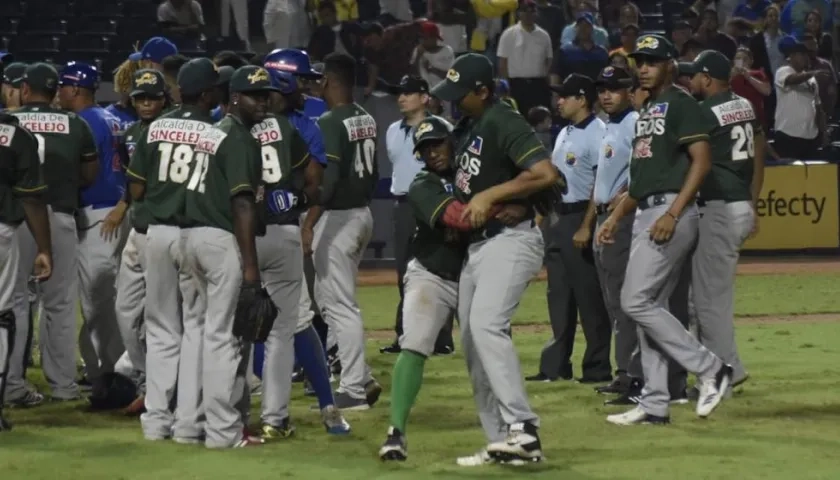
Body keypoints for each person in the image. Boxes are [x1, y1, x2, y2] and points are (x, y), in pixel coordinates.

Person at [595, 35, 733, 426]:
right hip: (645, 211)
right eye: (641, 60)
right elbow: (640, 181)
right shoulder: (650, 109)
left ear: (670, 65)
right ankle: (656, 401)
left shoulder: (682, 104)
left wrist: (674, 212)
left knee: (635, 300)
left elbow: (701, 162)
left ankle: (711, 369)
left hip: (670, 212)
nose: (643, 67)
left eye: (652, 61)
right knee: (647, 305)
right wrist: (616, 217)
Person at [431, 53, 560, 465]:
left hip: (511, 242)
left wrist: (494, 196)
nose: (453, 100)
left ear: (483, 91)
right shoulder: (470, 125)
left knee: (487, 325)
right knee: (472, 342)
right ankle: (501, 440)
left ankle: (524, 429)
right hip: (479, 245)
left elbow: (546, 174)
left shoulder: (503, 119)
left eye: (460, 93)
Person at [378, 116, 531, 462]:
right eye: (425, 149)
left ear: (453, 141)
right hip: (431, 274)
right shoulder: (422, 185)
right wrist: (505, 206)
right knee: (415, 344)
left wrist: (524, 203)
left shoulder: (474, 173)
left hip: (473, 273)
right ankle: (395, 432)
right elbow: (459, 217)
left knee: (484, 358)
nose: (432, 153)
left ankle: (508, 435)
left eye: (438, 143)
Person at [126, 58, 222, 443]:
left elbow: (135, 188)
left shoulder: (153, 129)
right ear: (208, 93)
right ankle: (188, 422)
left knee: (161, 328)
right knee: (196, 326)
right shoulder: (215, 130)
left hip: (155, 233)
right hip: (193, 231)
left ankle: (156, 420)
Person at [253, 66, 351, 438]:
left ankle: (247, 409)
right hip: (280, 229)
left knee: (240, 324)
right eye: (301, 83)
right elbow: (313, 187)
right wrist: (300, 214)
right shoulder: (300, 128)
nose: (307, 89)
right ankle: (315, 410)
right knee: (290, 322)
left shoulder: (230, 121)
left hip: (244, 232)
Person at [181, 65, 276, 448]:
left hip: (191, 237)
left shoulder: (212, 133)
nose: (263, 102)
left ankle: (190, 424)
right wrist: (251, 269)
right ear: (234, 97)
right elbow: (241, 204)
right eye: (255, 95)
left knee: (200, 333)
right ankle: (222, 432)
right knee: (224, 338)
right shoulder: (238, 137)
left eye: (266, 95)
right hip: (219, 240)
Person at [7, 63, 98, 406]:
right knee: (59, 304)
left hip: (16, 219)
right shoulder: (76, 124)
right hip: (58, 216)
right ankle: (62, 385)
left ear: (26, 89)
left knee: (14, 302)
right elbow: (89, 174)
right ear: (56, 91)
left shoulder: (8, 121)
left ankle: (10, 382)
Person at [302, 52, 382, 410]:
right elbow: (374, 171)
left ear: (330, 82)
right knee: (327, 297)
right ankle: (361, 374)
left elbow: (329, 180)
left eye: (321, 79)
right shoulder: (365, 117)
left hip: (337, 216)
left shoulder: (330, 121)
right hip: (361, 212)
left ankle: (353, 388)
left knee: (339, 303)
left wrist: (309, 220)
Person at [686, 50, 765, 389]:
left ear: (707, 78)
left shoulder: (704, 112)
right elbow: (759, 149)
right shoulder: (744, 105)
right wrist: (754, 200)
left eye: (694, 75)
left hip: (720, 207)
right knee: (699, 296)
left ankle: (726, 373)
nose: (690, 80)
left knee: (708, 300)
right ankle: (718, 369)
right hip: (738, 203)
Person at [527, 73, 612, 384]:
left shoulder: (598, 133)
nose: (558, 101)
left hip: (581, 218)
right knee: (558, 296)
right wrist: (541, 220)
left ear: (582, 100)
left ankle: (597, 368)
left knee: (589, 299)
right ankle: (555, 367)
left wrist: (587, 226)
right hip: (558, 217)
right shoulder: (564, 132)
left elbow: (598, 185)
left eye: (565, 96)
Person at [57, 62, 128, 395]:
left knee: (97, 300)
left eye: (62, 87)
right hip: (116, 211)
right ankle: (106, 366)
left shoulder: (85, 122)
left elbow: (84, 172)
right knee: (107, 297)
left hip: (98, 215)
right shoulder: (109, 117)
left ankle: (107, 370)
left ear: (74, 90)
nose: (58, 93)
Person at [380, 75, 454, 356]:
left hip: (436, 204)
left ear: (425, 97)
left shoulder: (443, 127)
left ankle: (442, 338)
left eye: (409, 93)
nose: (402, 98)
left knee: (439, 269)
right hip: (404, 204)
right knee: (404, 273)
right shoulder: (391, 130)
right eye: (400, 93)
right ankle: (405, 336)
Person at [114, 69, 170, 415]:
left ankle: (161, 388)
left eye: (151, 97)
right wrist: (122, 207)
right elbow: (128, 181)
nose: (146, 102)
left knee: (160, 315)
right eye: (140, 97)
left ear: (164, 99)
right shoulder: (131, 133)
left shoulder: (171, 130)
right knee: (124, 310)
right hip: (138, 229)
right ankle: (148, 378)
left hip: (163, 231)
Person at [587, 65, 639, 398]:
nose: (606, 94)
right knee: (612, 301)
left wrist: (621, 205)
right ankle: (624, 371)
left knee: (625, 299)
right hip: (603, 216)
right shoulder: (609, 126)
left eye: (614, 88)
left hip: (622, 218)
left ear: (629, 90)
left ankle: (634, 373)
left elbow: (647, 165)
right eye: (602, 88)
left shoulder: (634, 123)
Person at [0, 111, 53, 431]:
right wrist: (44, 247)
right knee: (2, 315)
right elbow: (32, 198)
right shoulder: (14, 135)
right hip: (1, 233)